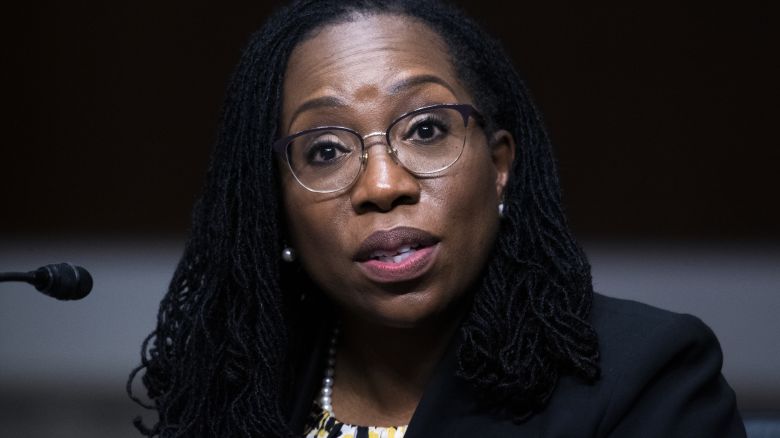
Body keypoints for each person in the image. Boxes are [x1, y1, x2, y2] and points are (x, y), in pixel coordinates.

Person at [129, 0, 746, 436]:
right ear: (274, 204)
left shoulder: (645, 375)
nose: (383, 185)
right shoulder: (237, 391)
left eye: (426, 130)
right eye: (325, 150)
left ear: (499, 164)